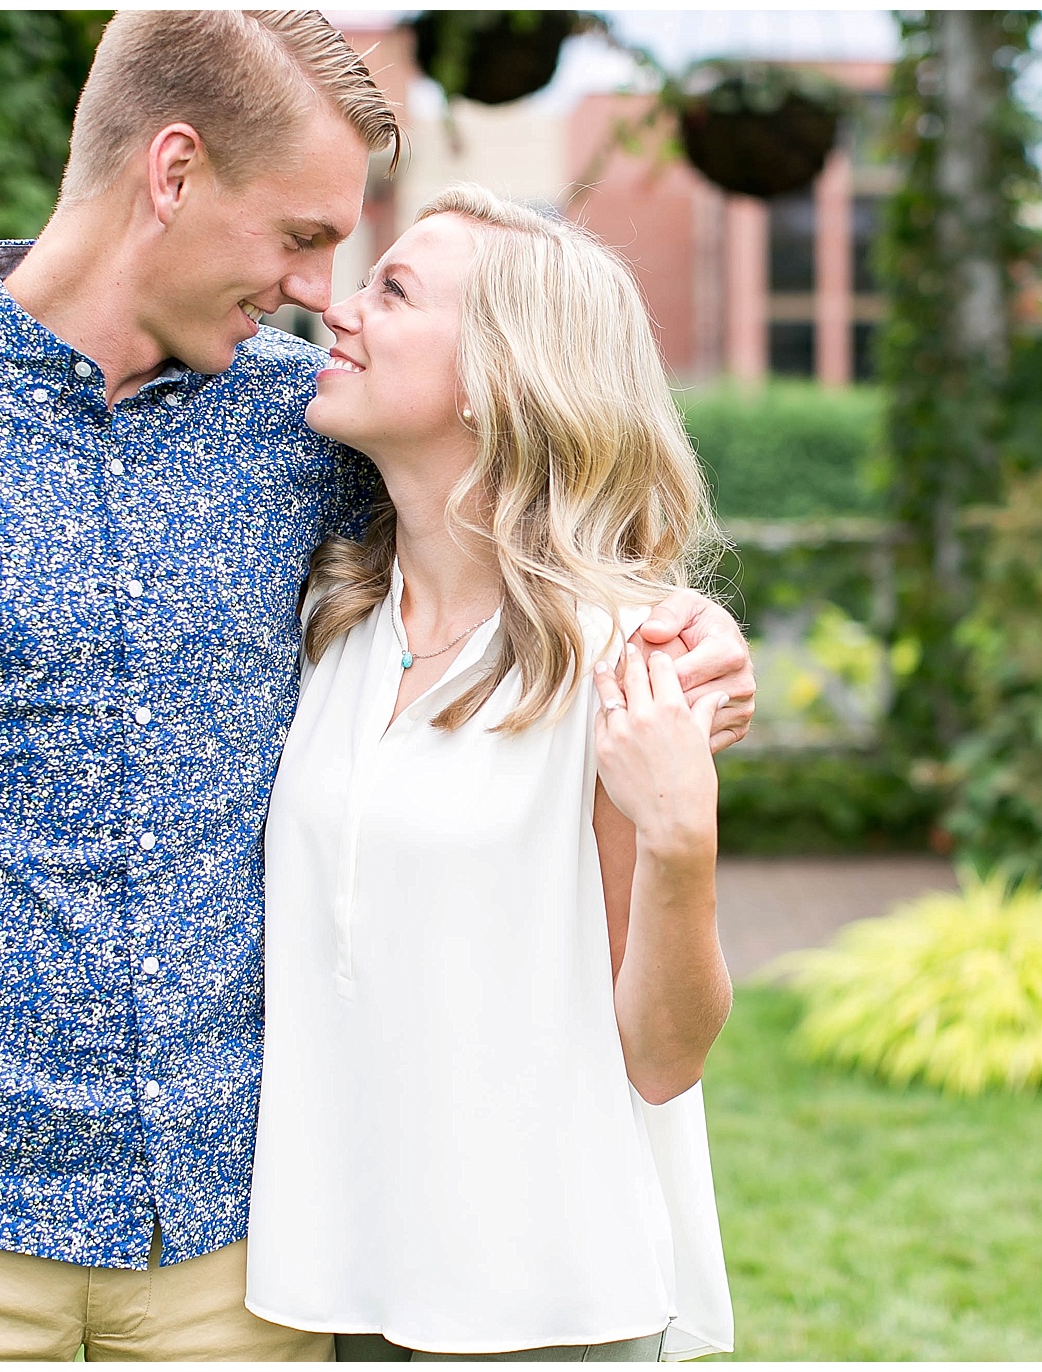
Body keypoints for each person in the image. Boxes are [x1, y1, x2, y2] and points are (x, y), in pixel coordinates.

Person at [0, 12, 755, 1361]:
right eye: (305, 236)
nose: (320, 288)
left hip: (245, 1240)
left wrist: (684, 634)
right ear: (173, 173)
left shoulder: (313, 423)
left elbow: (527, 514)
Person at [244, 186, 735, 1363]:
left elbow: (664, 1055)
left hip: (542, 1302)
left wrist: (680, 842)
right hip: (337, 1287)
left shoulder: (622, 657)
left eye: (392, 290)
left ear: (497, 378)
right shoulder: (328, 624)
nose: (336, 309)